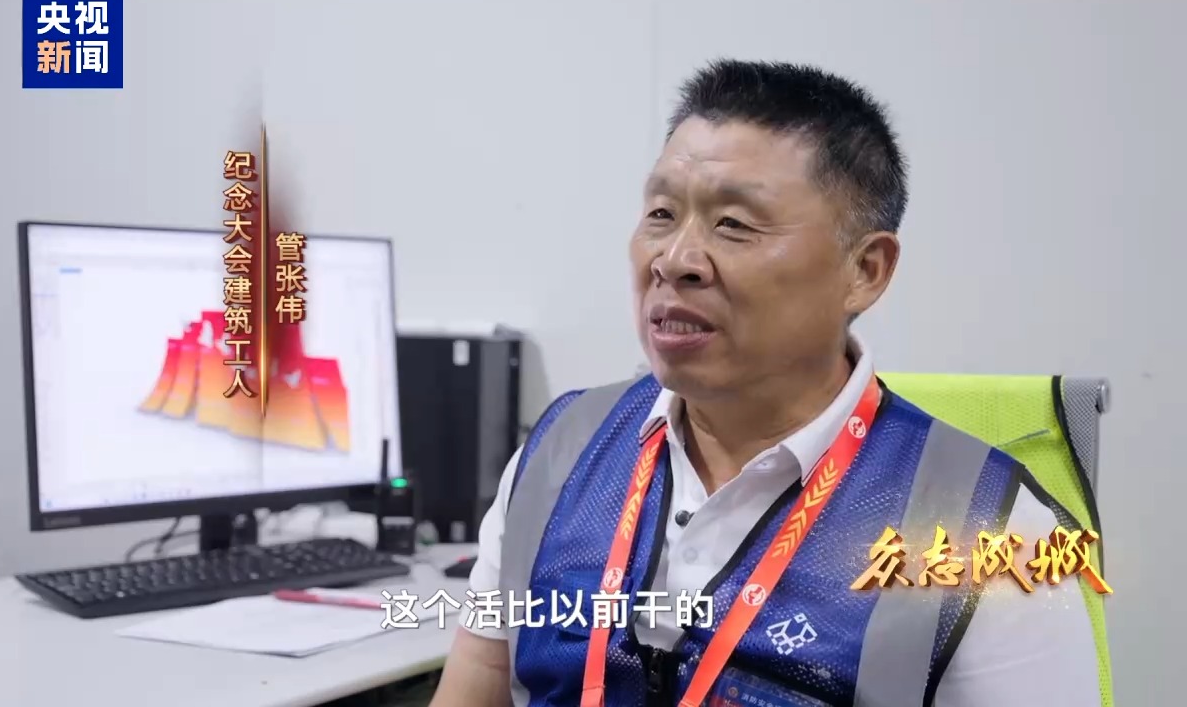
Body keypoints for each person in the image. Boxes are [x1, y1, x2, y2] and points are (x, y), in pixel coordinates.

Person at [429, 59, 1101, 707]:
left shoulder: (991, 530)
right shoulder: (561, 450)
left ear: (864, 270)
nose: (676, 260)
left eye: (734, 225)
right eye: (661, 214)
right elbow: (477, 682)